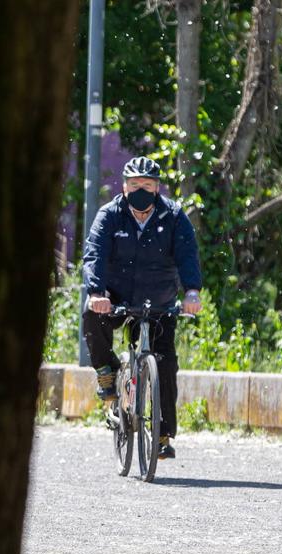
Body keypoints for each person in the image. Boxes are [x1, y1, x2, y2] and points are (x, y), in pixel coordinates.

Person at [81, 156, 203, 460]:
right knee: (90, 314)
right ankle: (107, 374)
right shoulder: (109, 215)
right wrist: (97, 292)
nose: (141, 190)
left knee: (165, 364)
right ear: (124, 187)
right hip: (116, 296)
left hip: (158, 299)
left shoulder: (174, 216)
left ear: (157, 187)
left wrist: (191, 292)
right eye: (135, 185)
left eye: (147, 185)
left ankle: (162, 436)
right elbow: (94, 254)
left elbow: (188, 255)